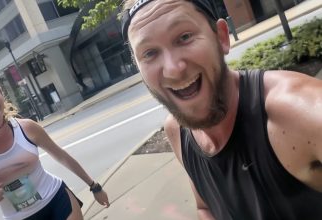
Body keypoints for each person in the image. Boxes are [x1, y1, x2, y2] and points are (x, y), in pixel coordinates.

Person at [121, 0, 322, 219]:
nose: (173, 69)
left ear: (221, 37)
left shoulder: (295, 111)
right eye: (149, 53)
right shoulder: (177, 131)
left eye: (185, 37)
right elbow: (205, 207)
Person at [0, 70, 110, 220]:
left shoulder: (26, 127)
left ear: (2, 95)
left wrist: (94, 186)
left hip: (56, 199)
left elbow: (62, 156)